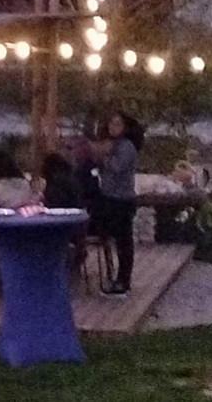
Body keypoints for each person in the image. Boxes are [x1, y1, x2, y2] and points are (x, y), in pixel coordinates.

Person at [94, 111, 139, 297]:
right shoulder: (110, 144)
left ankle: (123, 281)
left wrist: (104, 156)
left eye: (118, 124)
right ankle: (113, 276)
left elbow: (118, 167)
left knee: (123, 241)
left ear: (125, 127)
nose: (114, 127)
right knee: (109, 238)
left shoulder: (127, 147)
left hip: (122, 199)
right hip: (108, 197)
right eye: (111, 124)